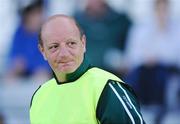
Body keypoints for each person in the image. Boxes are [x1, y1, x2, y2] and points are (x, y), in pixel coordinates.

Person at [30, 14, 145, 124]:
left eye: (71, 43)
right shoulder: (39, 96)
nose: (64, 54)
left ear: (83, 43)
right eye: (54, 47)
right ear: (43, 51)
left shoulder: (106, 88)